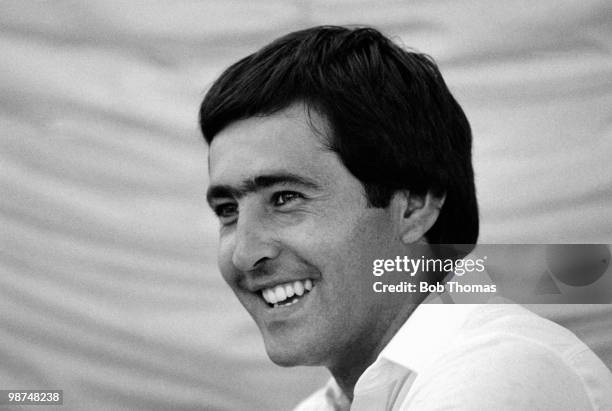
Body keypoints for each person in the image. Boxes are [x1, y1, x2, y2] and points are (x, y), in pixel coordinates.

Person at [200, 26, 611, 410]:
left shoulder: (501, 371)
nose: (244, 253)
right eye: (228, 211)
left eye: (285, 197)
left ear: (414, 205)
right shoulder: (329, 404)